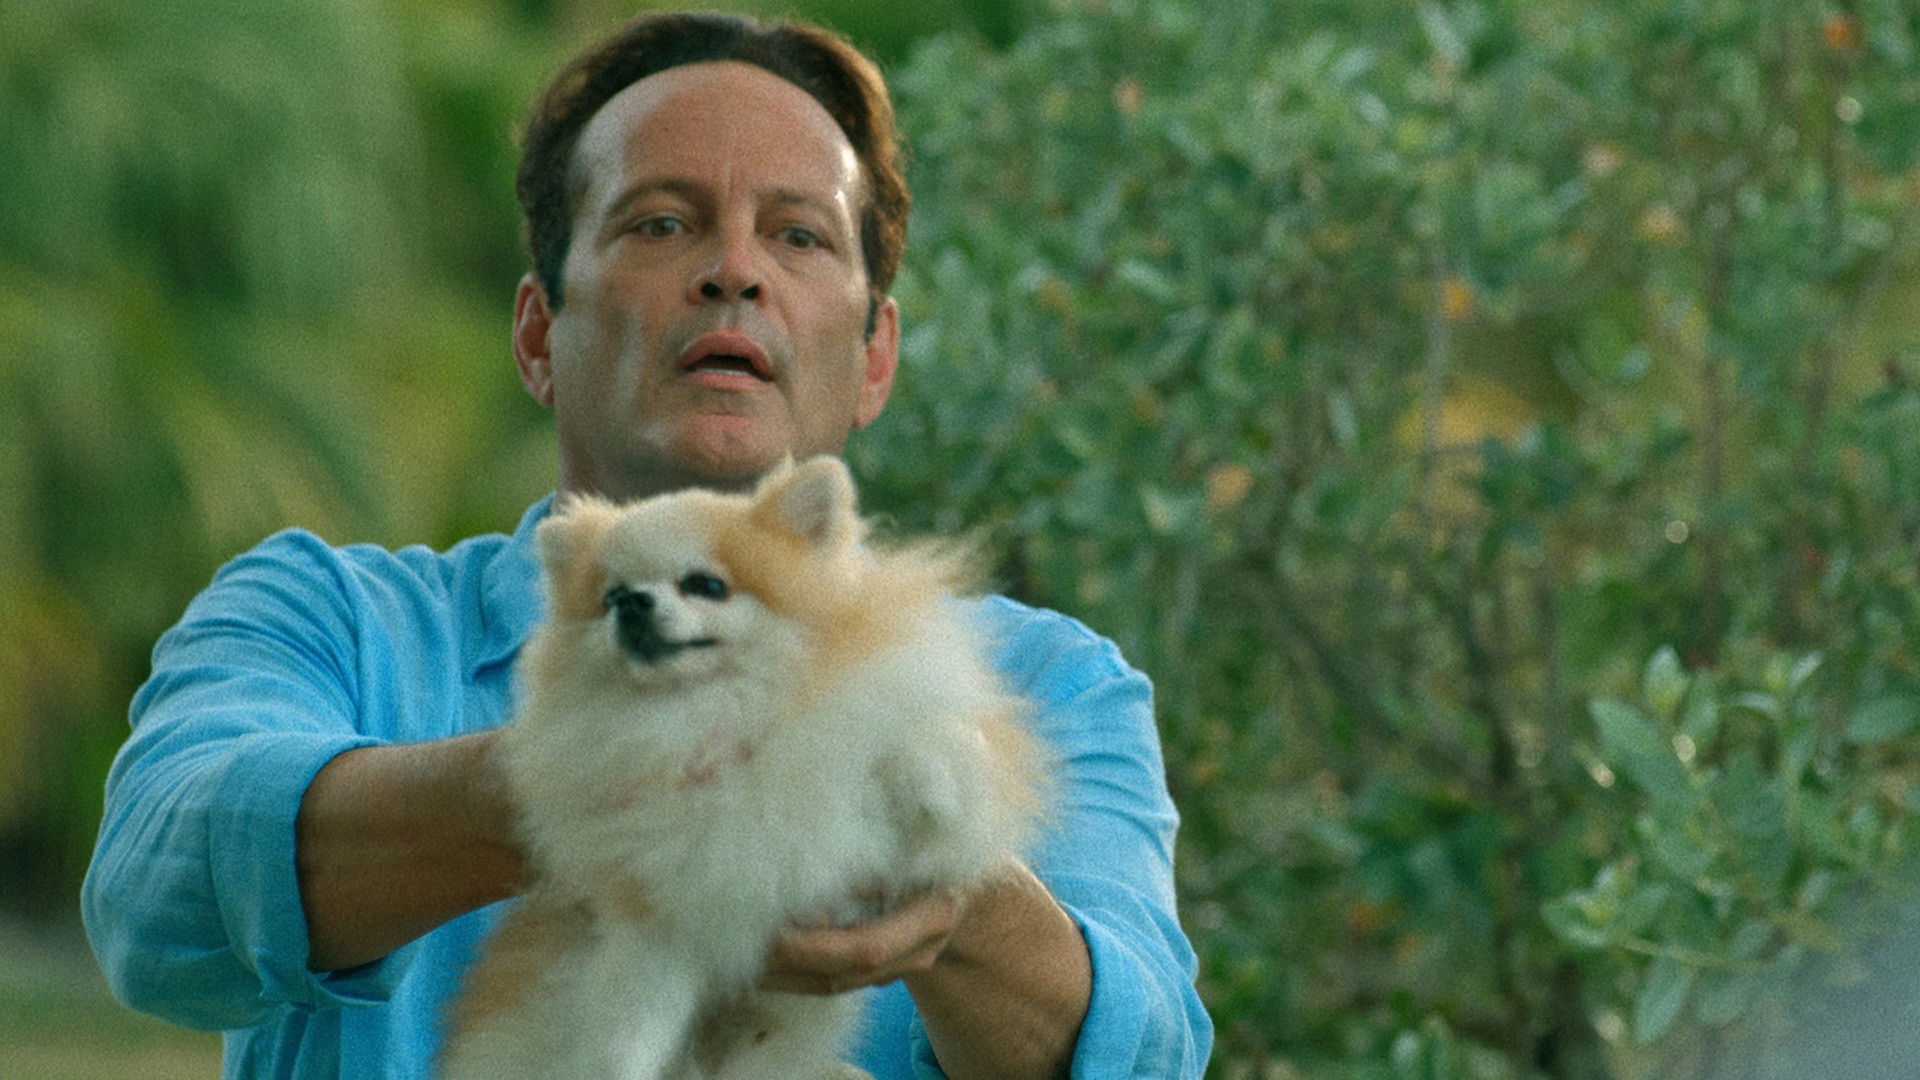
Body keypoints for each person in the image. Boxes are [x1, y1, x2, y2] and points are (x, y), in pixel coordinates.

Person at [82, 11, 1212, 1079]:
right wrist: (563, 787)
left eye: (800, 234)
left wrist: (932, 867)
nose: (734, 271)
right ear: (539, 334)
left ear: (876, 359)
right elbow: (157, 899)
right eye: (660, 223)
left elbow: (1145, 1048)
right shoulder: (328, 615)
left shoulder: (1047, 682)